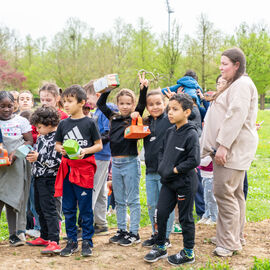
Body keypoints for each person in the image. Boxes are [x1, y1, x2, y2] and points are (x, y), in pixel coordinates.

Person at [200, 48, 258, 257]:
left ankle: (229, 243)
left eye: (225, 64)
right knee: (234, 194)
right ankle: (233, 236)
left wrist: (223, 145)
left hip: (231, 150)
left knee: (224, 194)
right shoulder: (236, 84)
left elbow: (235, 116)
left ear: (236, 65)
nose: (221, 67)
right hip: (230, 149)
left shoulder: (242, 85)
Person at [144, 93, 200, 266]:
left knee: (185, 218)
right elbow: (162, 152)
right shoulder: (170, 131)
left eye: (175, 109)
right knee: (160, 213)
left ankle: (188, 253)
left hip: (184, 183)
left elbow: (194, 160)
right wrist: (163, 167)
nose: (170, 113)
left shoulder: (191, 134)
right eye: (169, 109)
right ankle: (160, 246)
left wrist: (175, 169)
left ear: (187, 112)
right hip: (168, 182)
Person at [54, 85, 102, 257]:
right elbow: (57, 144)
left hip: (84, 171)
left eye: (70, 101)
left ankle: (87, 241)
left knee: (85, 207)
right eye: (64, 101)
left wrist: (84, 151)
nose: (66, 105)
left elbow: (99, 145)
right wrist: (61, 150)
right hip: (67, 170)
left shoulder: (89, 122)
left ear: (81, 103)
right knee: (67, 208)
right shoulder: (63, 124)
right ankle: (72, 241)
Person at [97, 84, 147, 246]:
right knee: (119, 200)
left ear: (132, 105)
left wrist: (143, 90)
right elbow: (101, 105)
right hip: (116, 163)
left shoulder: (132, 117)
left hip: (130, 162)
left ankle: (134, 232)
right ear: (117, 104)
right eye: (122, 103)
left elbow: (141, 105)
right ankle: (121, 231)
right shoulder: (113, 117)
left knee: (132, 199)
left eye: (128, 103)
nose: (125, 106)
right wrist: (107, 89)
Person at [132, 73, 174, 248]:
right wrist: (143, 91)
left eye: (159, 103)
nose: (155, 107)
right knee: (152, 206)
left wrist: (175, 99)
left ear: (165, 104)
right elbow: (138, 110)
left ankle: (166, 237)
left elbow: (186, 113)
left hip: (166, 172)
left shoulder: (170, 120)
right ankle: (156, 234)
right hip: (150, 171)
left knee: (164, 207)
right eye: (151, 104)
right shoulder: (146, 122)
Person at [26, 106, 62, 254]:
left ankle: (54, 240)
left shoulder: (57, 139)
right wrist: (33, 157)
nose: (37, 130)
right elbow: (39, 155)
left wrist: (39, 158)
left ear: (48, 124)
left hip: (50, 179)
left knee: (49, 210)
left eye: (39, 127)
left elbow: (57, 162)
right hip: (38, 177)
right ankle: (45, 236)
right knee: (39, 208)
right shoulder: (41, 138)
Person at [83, 81, 118, 235]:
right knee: (101, 190)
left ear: (97, 95)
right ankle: (101, 223)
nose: (85, 103)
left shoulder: (107, 109)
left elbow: (108, 134)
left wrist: (90, 144)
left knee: (92, 188)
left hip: (100, 154)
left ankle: (86, 225)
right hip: (98, 154)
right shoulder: (96, 111)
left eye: (87, 99)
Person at [0, 91, 33, 246]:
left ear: (15, 105)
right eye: (2, 106)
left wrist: (15, 153)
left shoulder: (21, 121)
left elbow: (29, 142)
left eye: (10, 106)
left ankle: (14, 235)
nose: (6, 109)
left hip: (15, 167)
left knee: (13, 201)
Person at [197, 155, 217, 225]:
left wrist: (194, 161)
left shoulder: (210, 152)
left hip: (210, 177)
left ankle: (214, 218)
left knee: (211, 199)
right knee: (206, 198)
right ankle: (207, 215)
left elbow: (205, 162)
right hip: (204, 176)